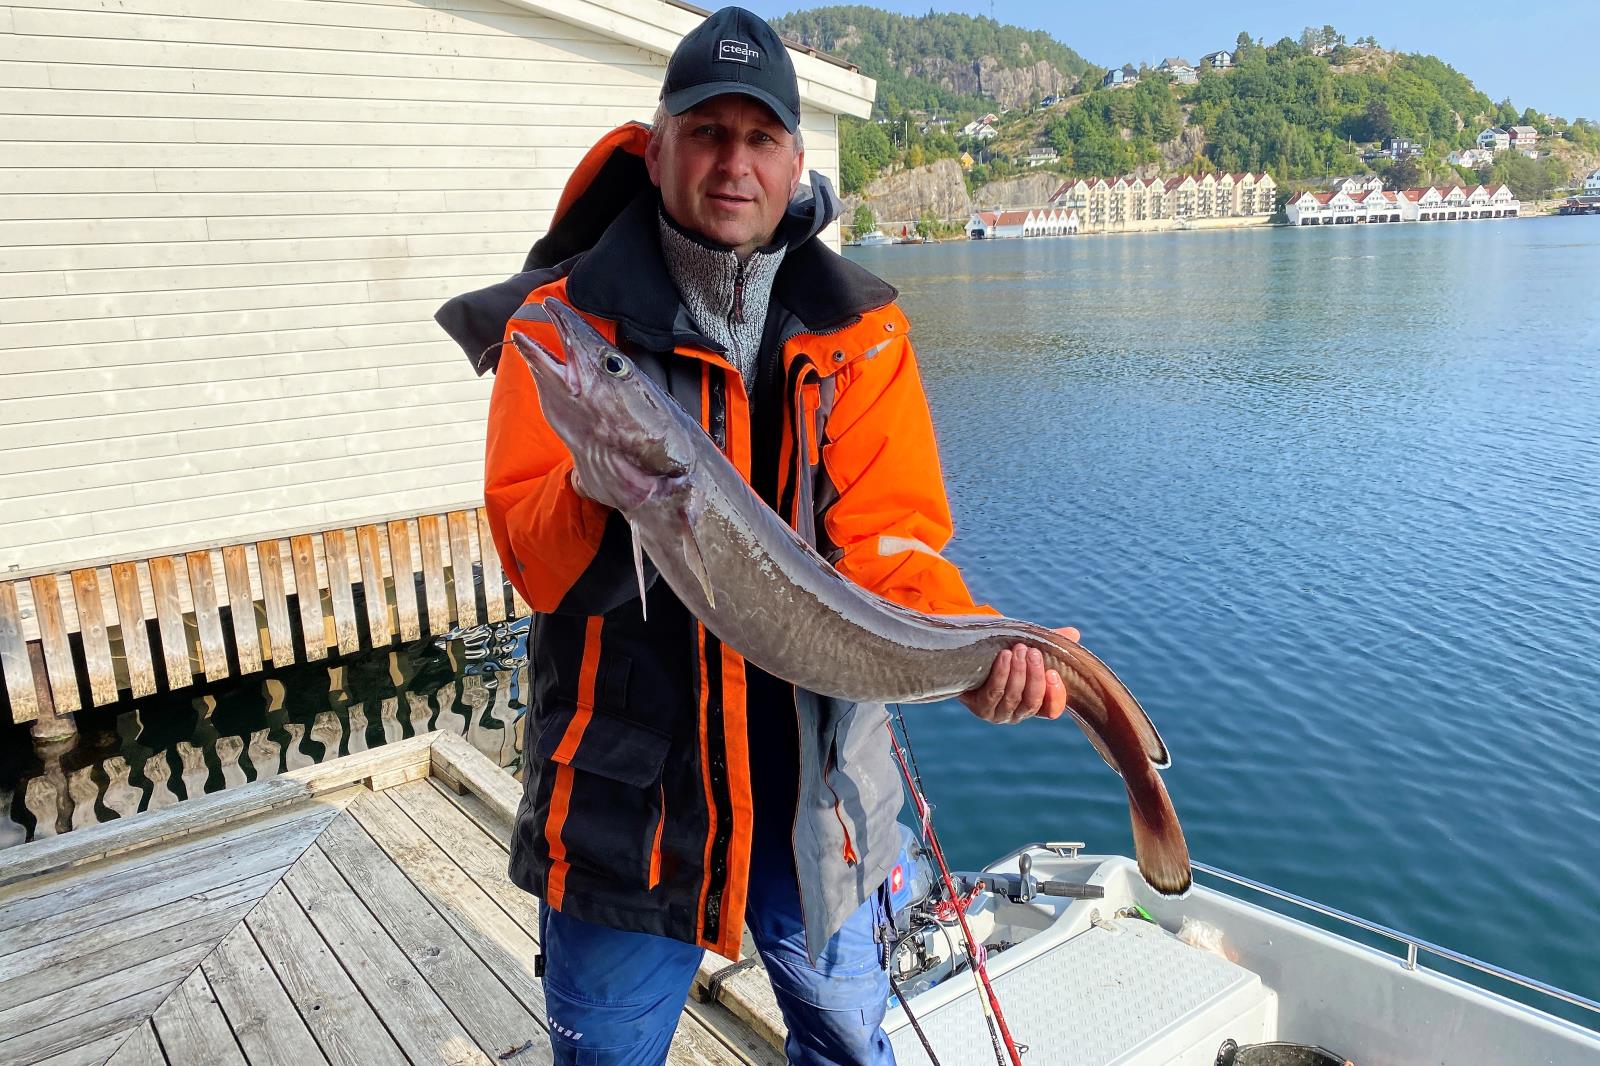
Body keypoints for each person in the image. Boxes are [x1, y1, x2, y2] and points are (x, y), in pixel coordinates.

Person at [436, 8, 1073, 1063]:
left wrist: (971, 650)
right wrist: (601, 490)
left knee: (845, 1043)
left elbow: (894, 550)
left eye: (760, 137)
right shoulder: (556, 326)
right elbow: (530, 564)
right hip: (627, 805)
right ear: (657, 148)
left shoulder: (863, 336)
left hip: (819, 802)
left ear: (793, 160)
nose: (734, 162)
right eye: (706, 132)